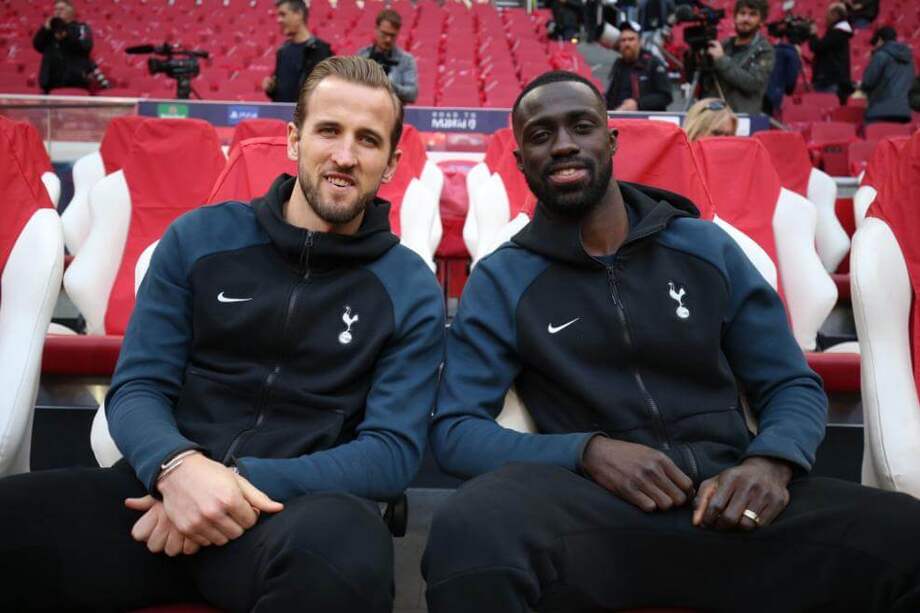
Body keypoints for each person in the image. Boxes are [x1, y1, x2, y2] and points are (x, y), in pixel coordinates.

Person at [421, 70, 920, 612]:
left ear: (611, 141)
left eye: (580, 127)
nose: (563, 144)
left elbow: (790, 383)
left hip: (732, 502)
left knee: (906, 535)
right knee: (466, 532)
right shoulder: (502, 278)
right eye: (540, 136)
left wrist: (769, 463)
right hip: (595, 517)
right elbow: (456, 430)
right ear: (521, 162)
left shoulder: (706, 248)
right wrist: (586, 452)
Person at [0, 56, 445, 612]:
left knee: (348, 552)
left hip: (293, 513)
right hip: (154, 494)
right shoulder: (199, 239)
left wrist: (229, 485)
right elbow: (137, 388)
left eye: (368, 140)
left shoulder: (409, 287)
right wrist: (178, 468)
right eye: (328, 131)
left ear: (392, 162)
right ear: (293, 139)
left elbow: (390, 452)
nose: (345, 156)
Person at [700, 0, 774, 115]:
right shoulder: (724, 45)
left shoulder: (765, 50)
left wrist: (721, 60)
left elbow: (753, 83)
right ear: (735, 17)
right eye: (742, 13)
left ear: (761, 21)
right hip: (714, 117)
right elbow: (705, 83)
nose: (746, 19)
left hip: (742, 119)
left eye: (752, 15)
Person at [263, 0, 333, 103]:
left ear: (298, 14)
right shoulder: (283, 51)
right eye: (278, 16)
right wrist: (271, 89)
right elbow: (283, 91)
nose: (279, 20)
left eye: (283, 14)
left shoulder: (320, 50)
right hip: (282, 115)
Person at [605, 19, 673, 112]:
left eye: (631, 39)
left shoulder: (653, 63)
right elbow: (611, 96)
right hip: (619, 119)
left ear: (640, 42)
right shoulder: (619, 65)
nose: (627, 44)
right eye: (623, 40)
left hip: (646, 121)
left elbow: (666, 96)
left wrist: (638, 104)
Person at [32, 0, 95, 93]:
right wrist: (44, 29)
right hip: (50, 83)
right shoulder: (49, 30)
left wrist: (66, 36)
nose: (58, 12)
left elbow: (85, 46)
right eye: (56, 9)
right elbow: (37, 45)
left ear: (72, 11)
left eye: (61, 9)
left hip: (75, 82)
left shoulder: (81, 27)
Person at [358, 9, 418, 104]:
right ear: (376, 29)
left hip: (392, 114)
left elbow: (412, 94)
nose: (388, 39)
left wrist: (388, 85)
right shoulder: (362, 55)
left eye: (392, 35)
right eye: (384, 34)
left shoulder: (406, 60)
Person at [860, 26, 916, 124]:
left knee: (871, 137)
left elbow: (868, 82)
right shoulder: (909, 59)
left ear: (880, 40)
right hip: (903, 113)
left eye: (875, 43)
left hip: (880, 111)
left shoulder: (881, 55)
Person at [808, 3, 854, 105]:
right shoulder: (839, 33)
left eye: (828, 14)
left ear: (835, 14)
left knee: (823, 108)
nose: (826, 17)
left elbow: (817, 47)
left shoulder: (837, 33)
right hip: (831, 79)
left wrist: (813, 34)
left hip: (829, 80)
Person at [763, 30, 802, 116]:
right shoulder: (792, 54)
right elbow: (791, 78)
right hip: (777, 93)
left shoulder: (773, 49)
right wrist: (789, 91)